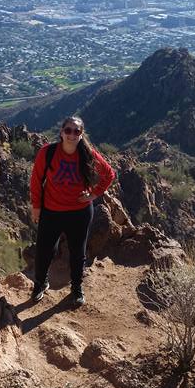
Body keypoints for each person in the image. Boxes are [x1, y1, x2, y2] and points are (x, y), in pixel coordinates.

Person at [29, 115, 115, 306]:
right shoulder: (48, 152)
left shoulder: (87, 154)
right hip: (51, 211)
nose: (72, 134)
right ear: (61, 132)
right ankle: (40, 283)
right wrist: (36, 206)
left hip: (79, 212)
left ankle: (76, 288)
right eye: (68, 130)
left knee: (78, 253)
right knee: (44, 250)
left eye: (76, 131)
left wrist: (94, 194)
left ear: (81, 134)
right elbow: (36, 181)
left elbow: (109, 174)